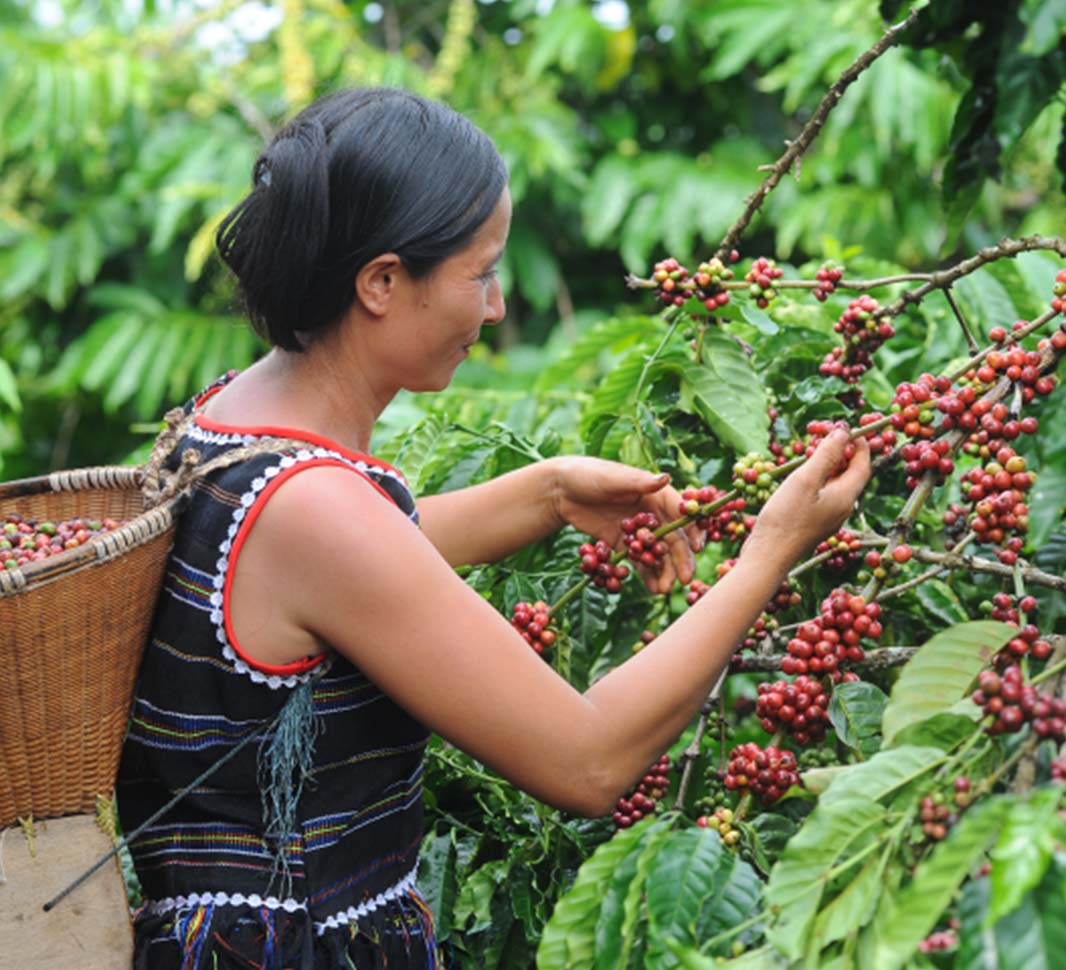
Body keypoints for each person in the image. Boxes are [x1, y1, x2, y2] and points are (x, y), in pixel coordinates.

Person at [116, 87, 870, 969]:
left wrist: (547, 494)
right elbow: (589, 762)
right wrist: (770, 553)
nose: (498, 306)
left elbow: (342, 578)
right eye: (480, 274)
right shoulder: (317, 508)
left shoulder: (228, 417)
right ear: (382, 283)